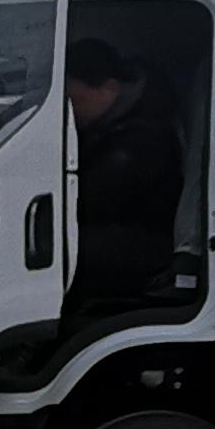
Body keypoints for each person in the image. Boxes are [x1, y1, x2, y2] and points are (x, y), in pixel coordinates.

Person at [63, 34, 188, 316]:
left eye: (76, 101)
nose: (71, 113)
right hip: (125, 227)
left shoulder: (142, 138)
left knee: (53, 244)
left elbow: (90, 199)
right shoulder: (114, 121)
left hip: (148, 241)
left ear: (110, 88)